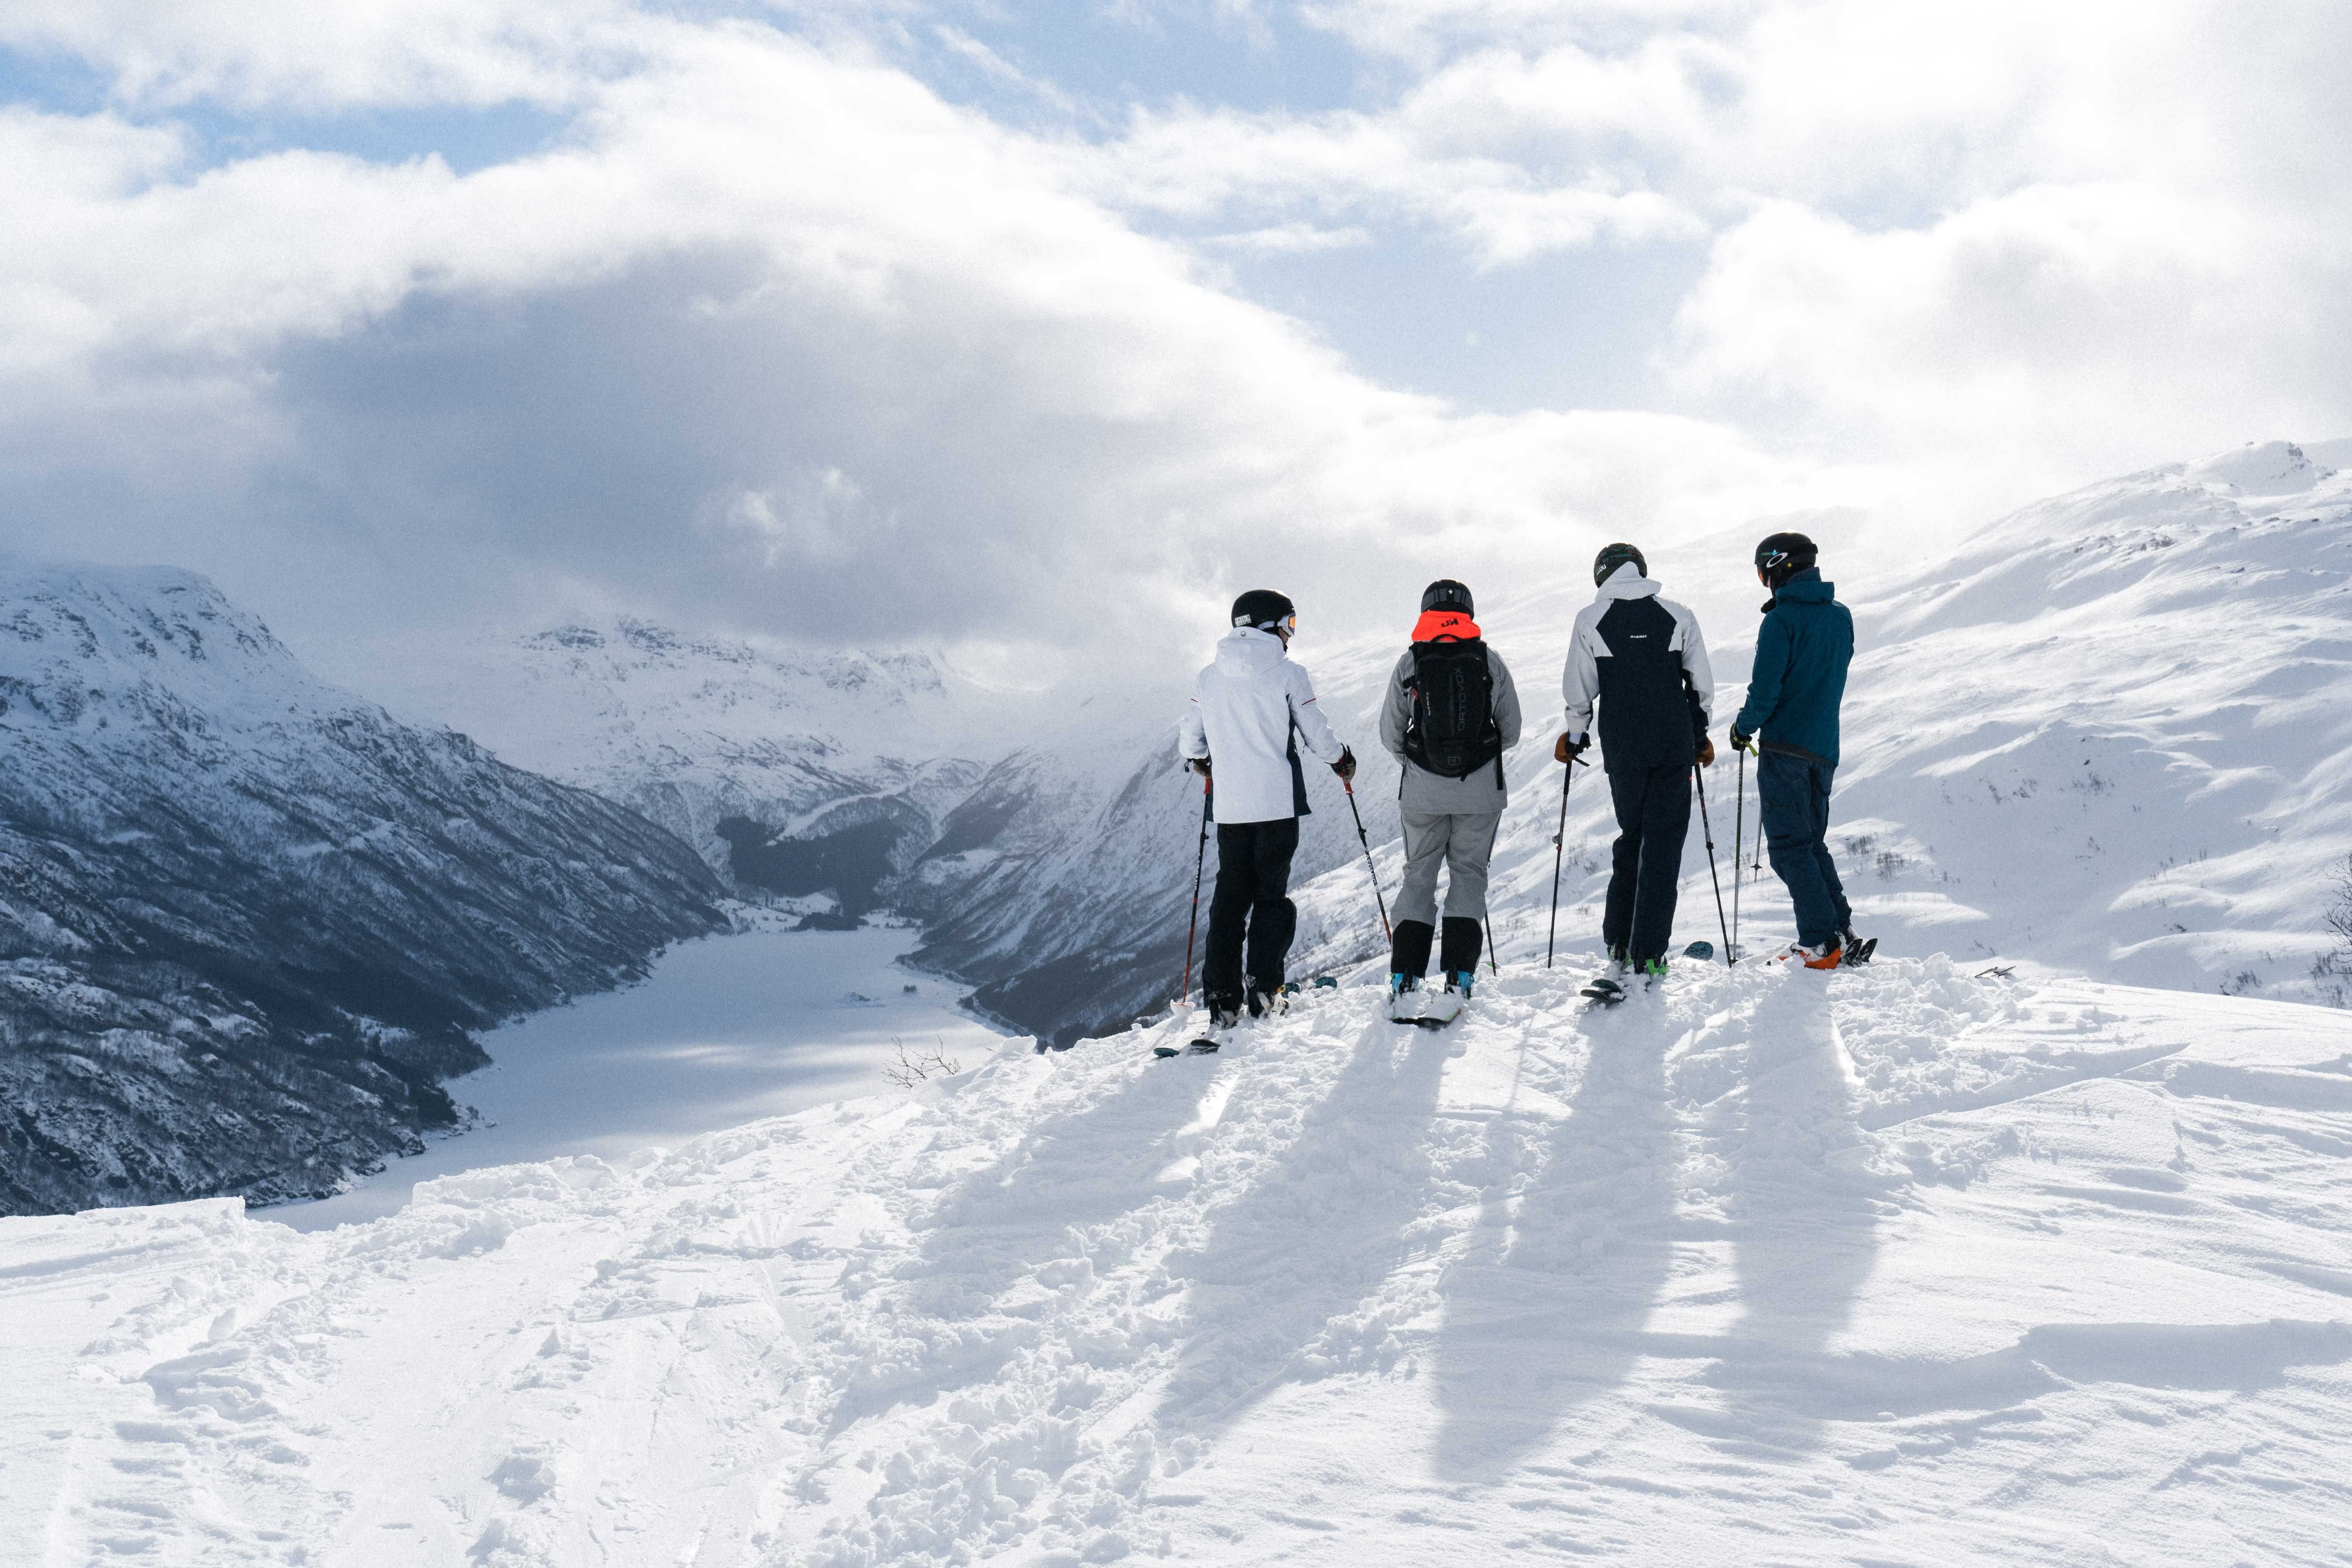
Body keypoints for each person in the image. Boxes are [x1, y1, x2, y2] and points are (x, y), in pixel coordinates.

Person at [1178, 589, 1355, 1025]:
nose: (1291, 633)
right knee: (1270, 898)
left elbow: (1190, 740)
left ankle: (1220, 995)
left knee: (1229, 899)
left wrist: (1199, 762)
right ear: (1265, 625)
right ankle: (1264, 990)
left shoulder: (1209, 677)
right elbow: (1315, 731)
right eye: (1289, 623)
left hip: (1230, 808)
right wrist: (1341, 762)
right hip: (1276, 805)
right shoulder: (1287, 672)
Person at [1558, 543, 1716, 979]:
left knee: (1633, 834)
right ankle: (1649, 952)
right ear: (1641, 570)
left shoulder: (1590, 621)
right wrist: (1699, 733)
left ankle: (1619, 942)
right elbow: (1699, 684)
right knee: (1662, 843)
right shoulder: (1677, 615)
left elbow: (1580, 688)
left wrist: (1575, 734)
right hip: (1671, 742)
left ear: (1601, 577)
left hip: (1623, 745)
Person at [1377, 579, 1522, 1023]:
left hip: (1422, 792)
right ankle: (1458, 977)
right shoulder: (1488, 661)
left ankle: (1405, 979)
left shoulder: (1410, 663)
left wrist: (1421, 764)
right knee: (1468, 874)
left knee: (1418, 876)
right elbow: (1511, 730)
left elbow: (1390, 734)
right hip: (1479, 793)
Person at [1729, 532, 1858, 969]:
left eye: (1762, 572)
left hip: (1785, 747)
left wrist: (1741, 728)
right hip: (1825, 749)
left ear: (1776, 567)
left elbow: (1765, 692)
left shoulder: (1780, 621)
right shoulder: (1840, 617)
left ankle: (1820, 942)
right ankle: (1840, 933)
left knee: (1787, 848)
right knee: (1810, 843)